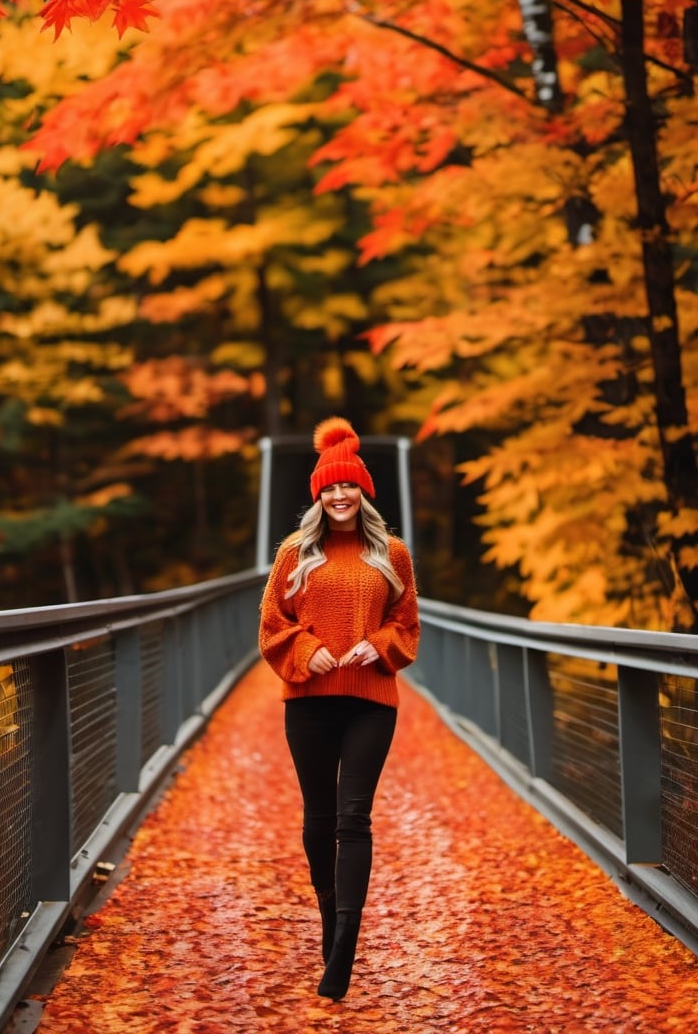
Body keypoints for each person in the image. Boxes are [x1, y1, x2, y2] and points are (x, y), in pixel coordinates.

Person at [258, 417, 419, 1001]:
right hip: (308, 703)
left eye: (348, 486)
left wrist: (374, 646)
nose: (340, 496)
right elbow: (271, 624)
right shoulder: (295, 554)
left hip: (371, 702)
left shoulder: (391, 555)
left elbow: (407, 625)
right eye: (329, 488)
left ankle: (344, 948)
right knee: (319, 818)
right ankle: (329, 924)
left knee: (354, 818)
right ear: (318, 497)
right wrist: (308, 650)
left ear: (363, 491)